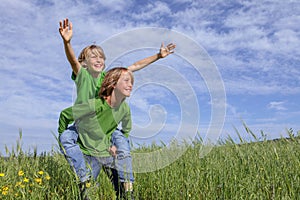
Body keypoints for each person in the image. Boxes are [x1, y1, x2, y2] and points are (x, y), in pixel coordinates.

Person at [58, 18, 176, 199]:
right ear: (84, 63)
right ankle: (85, 178)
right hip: (84, 125)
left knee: (121, 145)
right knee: (67, 138)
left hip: (107, 128)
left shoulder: (108, 77)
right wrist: (67, 42)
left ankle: (127, 190)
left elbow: (133, 67)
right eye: (93, 57)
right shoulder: (82, 76)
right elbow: (73, 61)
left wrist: (158, 56)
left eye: (101, 57)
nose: (98, 59)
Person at [59, 67, 134, 200]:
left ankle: (129, 191)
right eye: (126, 81)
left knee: (121, 190)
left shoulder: (124, 109)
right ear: (113, 85)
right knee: (87, 193)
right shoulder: (95, 105)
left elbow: (126, 130)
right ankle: (84, 179)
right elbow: (65, 114)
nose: (131, 85)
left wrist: (116, 145)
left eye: (132, 82)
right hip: (88, 153)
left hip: (106, 150)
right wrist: (63, 137)